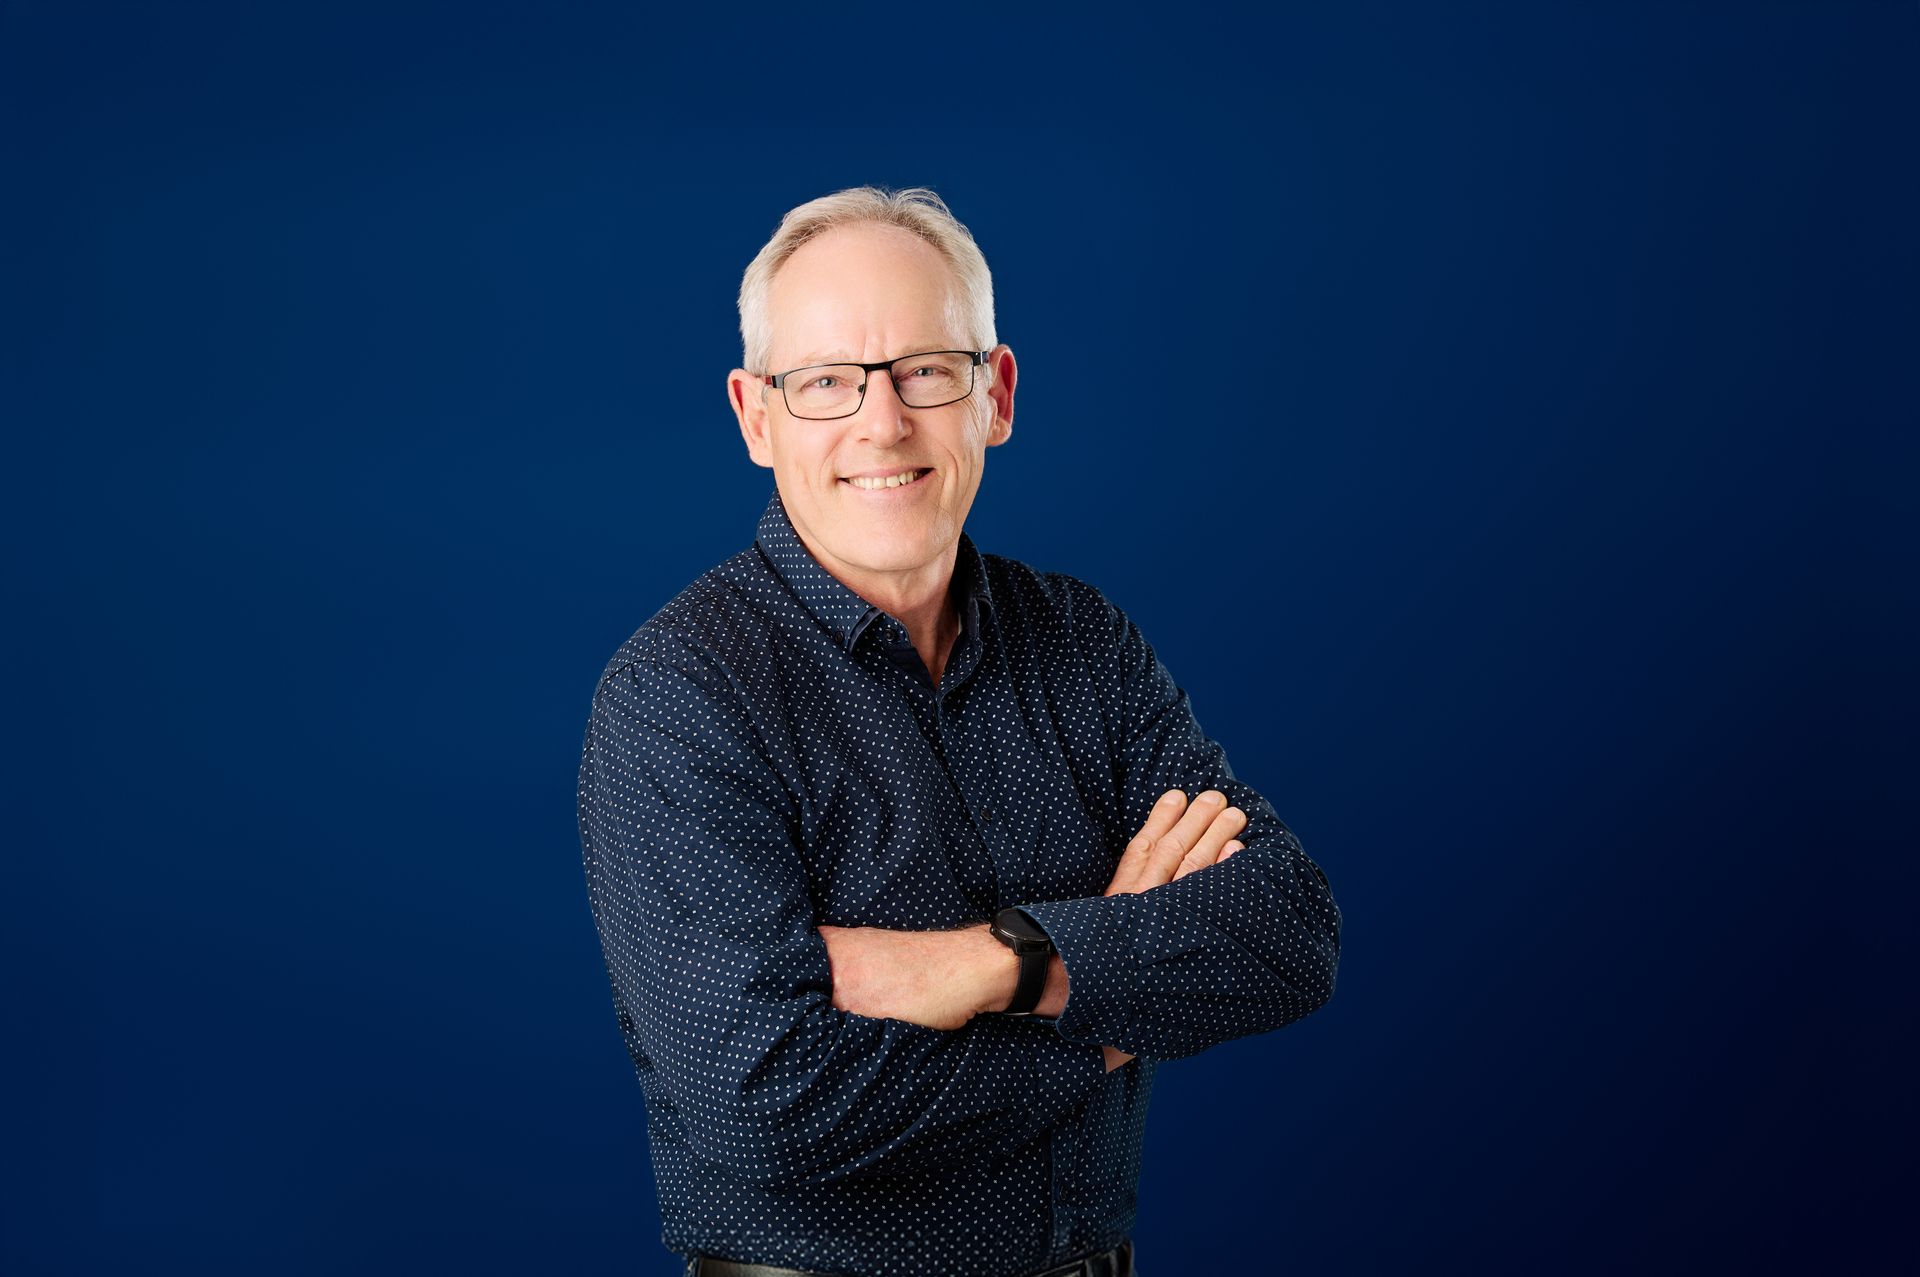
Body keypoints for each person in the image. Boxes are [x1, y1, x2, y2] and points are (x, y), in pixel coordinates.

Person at [576, 185, 1341, 1277]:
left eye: (926, 371)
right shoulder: (681, 695)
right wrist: (1111, 1004)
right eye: (827, 383)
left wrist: (1000, 966)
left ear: (998, 393)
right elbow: (768, 1105)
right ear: (756, 415)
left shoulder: (1082, 640)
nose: (881, 424)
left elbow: (1286, 932)